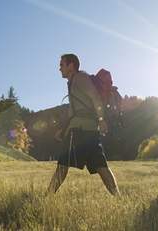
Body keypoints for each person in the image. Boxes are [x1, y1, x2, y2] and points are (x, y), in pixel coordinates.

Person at [47, 54, 120, 196]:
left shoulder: (80, 78)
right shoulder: (73, 82)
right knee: (101, 166)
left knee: (62, 165)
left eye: (62, 64)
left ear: (71, 65)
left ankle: (47, 197)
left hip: (80, 131)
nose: (59, 68)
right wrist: (63, 130)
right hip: (88, 130)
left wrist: (101, 119)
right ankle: (118, 197)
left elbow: (95, 97)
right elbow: (74, 113)